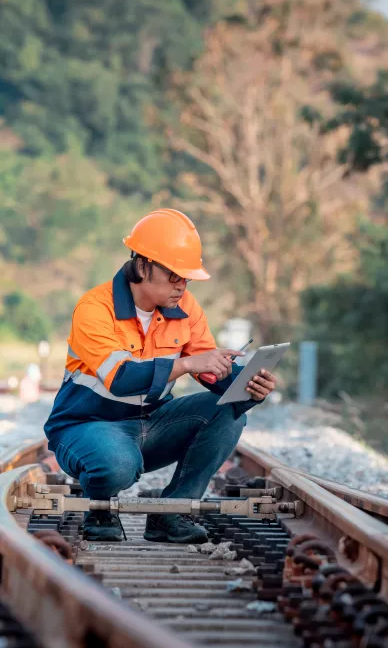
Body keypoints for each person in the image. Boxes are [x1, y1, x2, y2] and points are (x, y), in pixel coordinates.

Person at [43, 209, 276, 543]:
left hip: (150, 426)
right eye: (174, 275)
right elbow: (121, 378)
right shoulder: (95, 308)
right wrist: (184, 365)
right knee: (117, 464)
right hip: (86, 427)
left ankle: (171, 512)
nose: (182, 285)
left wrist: (250, 385)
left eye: (187, 277)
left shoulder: (186, 310)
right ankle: (99, 508)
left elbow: (212, 372)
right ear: (142, 266)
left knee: (228, 411)